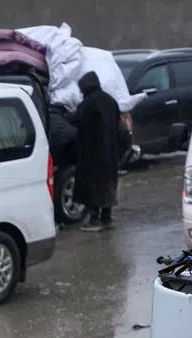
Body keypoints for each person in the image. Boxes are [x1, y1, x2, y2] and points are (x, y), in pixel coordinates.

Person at [74, 72, 121, 233]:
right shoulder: (111, 101)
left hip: (92, 152)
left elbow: (79, 121)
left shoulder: (89, 103)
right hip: (111, 152)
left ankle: (94, 219)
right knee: (108, 184)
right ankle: (106, 217)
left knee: (92, 187)